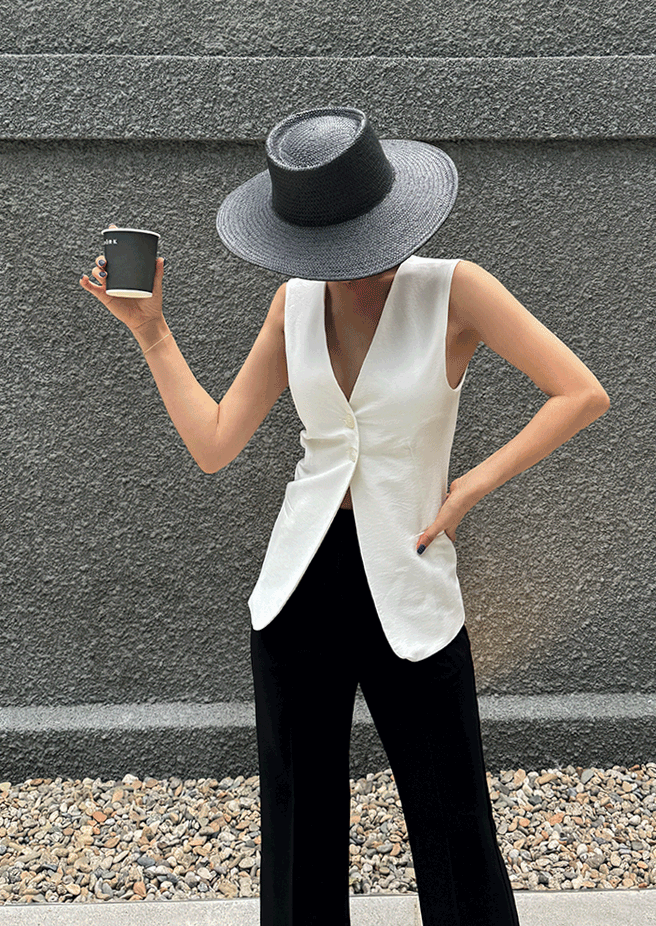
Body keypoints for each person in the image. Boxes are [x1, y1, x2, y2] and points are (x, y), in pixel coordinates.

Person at [80, 106, 610, 926]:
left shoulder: (455, 289)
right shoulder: (291, 303)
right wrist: (152, 333)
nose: (349, 270)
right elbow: (216, 443)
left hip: (409, 569)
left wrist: (469, 487)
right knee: (299, 817)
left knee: (452, 813)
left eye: (360, 244)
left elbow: (579, 393)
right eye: (327, 250)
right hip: (299, 581)